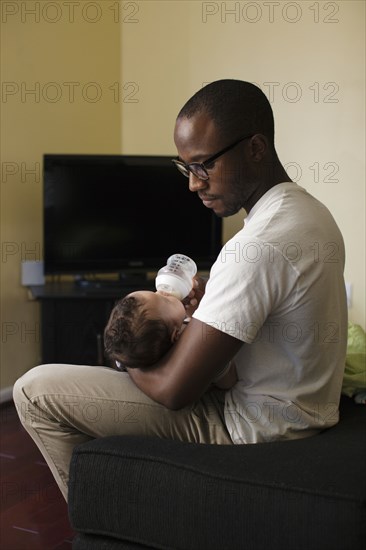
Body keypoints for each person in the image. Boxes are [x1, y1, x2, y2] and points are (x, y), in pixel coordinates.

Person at [13, 79, 347, 501]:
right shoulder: (311, 213)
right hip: (303, 410)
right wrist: (214, 301)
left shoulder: (257, 245)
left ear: (256, 148)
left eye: (204, 164)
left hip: (252, 427)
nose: (193, 183)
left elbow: (174, 392)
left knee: (33, 390)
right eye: (185, 167)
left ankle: (105, 515)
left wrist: (123, 355)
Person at [104, 290, 237, 389]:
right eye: (165, 300)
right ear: (176, 335)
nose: (162, 291)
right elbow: (229, 381)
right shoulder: (195, 349)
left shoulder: (129, 355)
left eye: (154, 292)